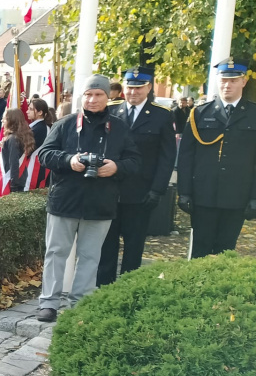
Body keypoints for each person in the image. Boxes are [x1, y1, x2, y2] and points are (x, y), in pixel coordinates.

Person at [35, 75, 141, 322]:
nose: (93, 99)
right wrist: (68, 160)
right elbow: (45, 155)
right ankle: (49, 302)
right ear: (82, 96)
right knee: (55, 252)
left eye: (98, 95)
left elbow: (135, 161)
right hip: (64, 200)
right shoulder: (66, 124)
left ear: (108, 97)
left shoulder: (120, 128)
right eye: (88, 94)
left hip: (100, 203)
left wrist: (116, 167)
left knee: (91, 256)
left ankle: (80, 303)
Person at [96, 69, 177, 285]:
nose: (133, 92)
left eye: (138, 87)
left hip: (141, 192)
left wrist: (157, 190)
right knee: (106, 245)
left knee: (134, 246)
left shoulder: (162, 115)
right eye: (129, 87)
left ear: (149, 88)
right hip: (109, 190)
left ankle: (128, 288)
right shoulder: (111, 111)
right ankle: (103, 290)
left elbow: (167, 157)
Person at [177, 57, 256, 258]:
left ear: (243, 81)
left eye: (233, 80)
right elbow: (186, 157)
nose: (227, 85)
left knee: (226, 251)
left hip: (237, 196)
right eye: (223, 80)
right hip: (203, 195)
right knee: (199, 252)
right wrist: (184, 192)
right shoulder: (200, 114)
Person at [0, 109, 37, 193]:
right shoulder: (17, 136)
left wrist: (13, 186)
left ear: (11, 120)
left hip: (13, 180)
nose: (2, 121)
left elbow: (14, 162)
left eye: (4, 119)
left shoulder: (13, 139)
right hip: (19, 177)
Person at [27, 99, 54, 189]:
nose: (27, 111)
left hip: (35, 168)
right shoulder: (40, 126)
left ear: (40, 112)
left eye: (31, 109)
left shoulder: (38, 128)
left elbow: (28, 149)